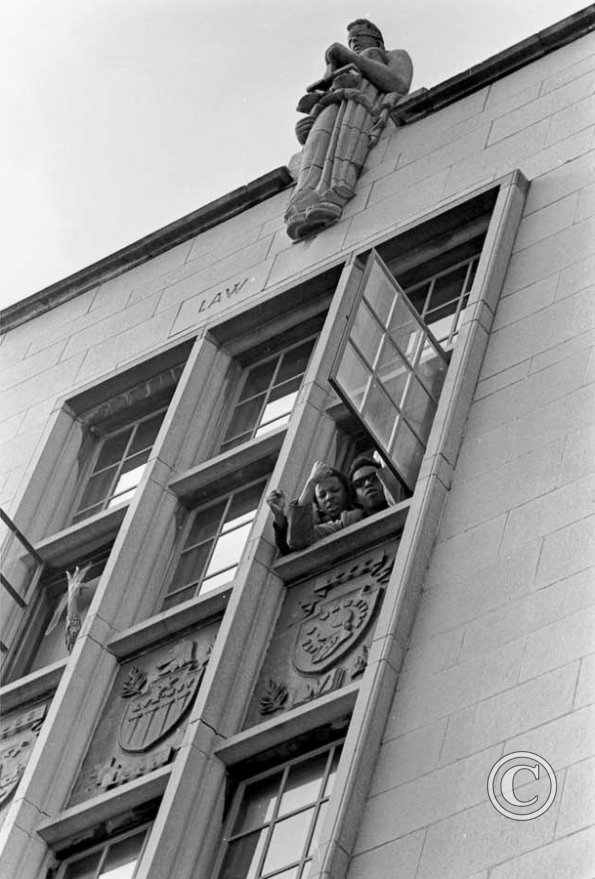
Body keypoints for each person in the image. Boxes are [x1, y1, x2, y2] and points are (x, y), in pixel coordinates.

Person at [285, 19, 413, 240]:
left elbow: (398, 84)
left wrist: (353, 59)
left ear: (376, 39)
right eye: (350, 41)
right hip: (330, 105)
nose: (353, 42)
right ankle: (301, 206)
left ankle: (331, 196)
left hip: (359, 103)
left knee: (344, 147)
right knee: (315, 154)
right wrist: (307, 126)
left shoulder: (394, 55)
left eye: (358, 38)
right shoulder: (337, 72)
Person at [267, 461, 363, 553]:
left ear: (347, 493)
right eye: (322, 495)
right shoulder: (322, 527)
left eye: (334, 490)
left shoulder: (362, 510)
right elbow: (295, 542)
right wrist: (279, 516)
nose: (329, 497)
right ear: (319, 506)